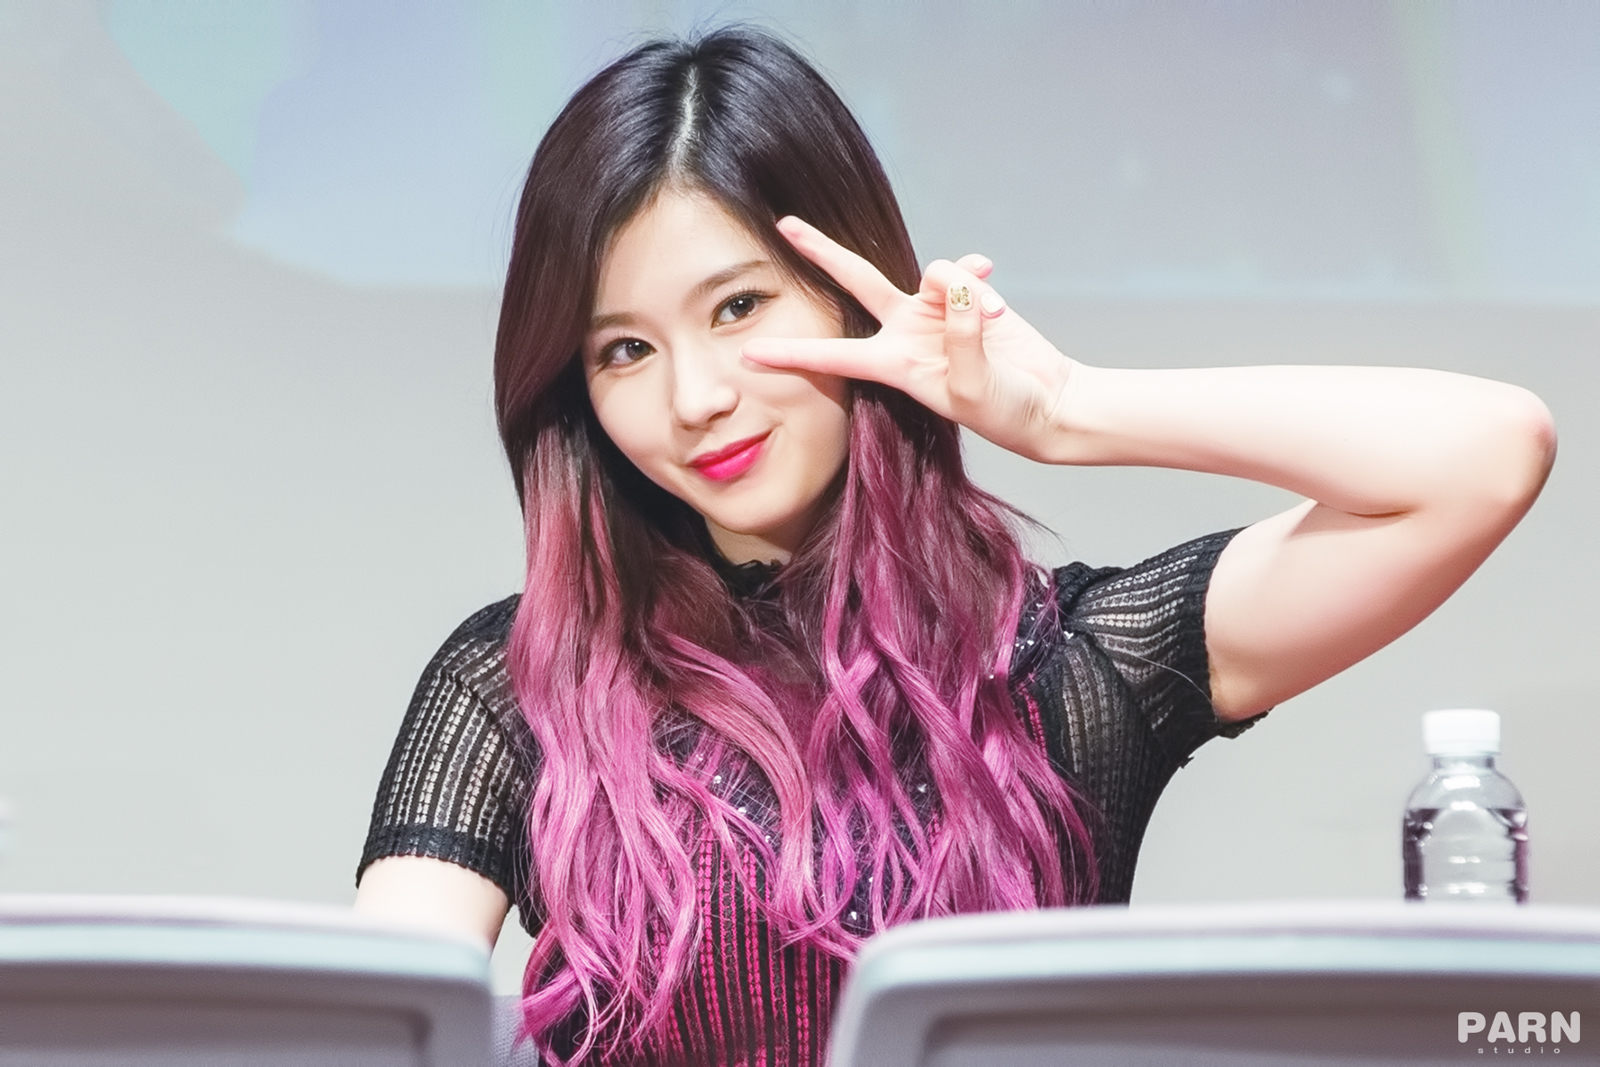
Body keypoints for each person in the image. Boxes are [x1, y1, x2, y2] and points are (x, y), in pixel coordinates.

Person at [351, 27, 1555, 1067]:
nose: (695, 397)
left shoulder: (1069, 663)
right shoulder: (522, 680)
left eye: (738, 306)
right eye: (625, 350)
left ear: (848, 295)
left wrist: (1068, 411)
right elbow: (374, 1026)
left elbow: (1484, 457)